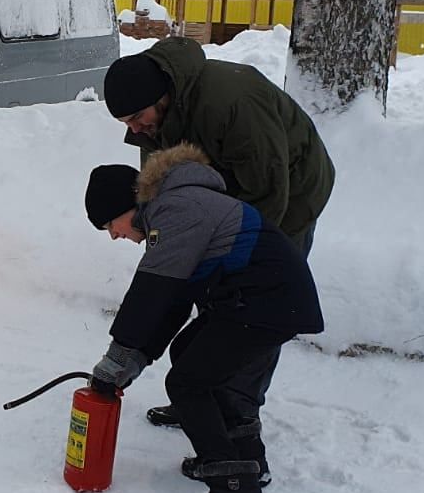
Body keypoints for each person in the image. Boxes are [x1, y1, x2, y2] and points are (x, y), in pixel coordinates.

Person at [84, 144, 323, 493]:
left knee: (188, 383)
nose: (114, 235)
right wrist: (137, 359)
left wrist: (116, 362)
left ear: (128, 206)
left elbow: (151, 294)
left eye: (111, 224)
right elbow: (173, 303)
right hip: (263, 300)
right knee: (188, 355)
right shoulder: (176, 208)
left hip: (267, 302)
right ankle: (247, 459)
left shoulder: (177, 210)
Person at [103, 38, 334, 432]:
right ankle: (199, 396)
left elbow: (267, 192)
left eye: (138, 117)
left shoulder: (231, 103)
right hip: (226, 197)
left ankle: (237, 413)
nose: (136, 129)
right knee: (210, 289)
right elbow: (163, 195)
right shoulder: (153, 124)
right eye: (127, 124)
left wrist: (226, 253)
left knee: (253, 302)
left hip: (291, 195)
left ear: (162, 96)